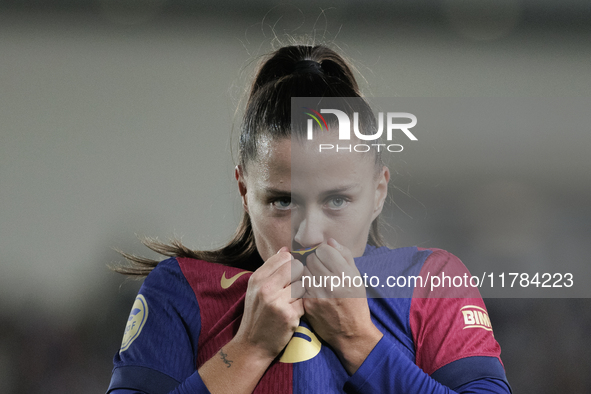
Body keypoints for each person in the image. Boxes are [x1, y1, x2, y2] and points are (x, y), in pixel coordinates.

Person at [106, 45, 511, 393]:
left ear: (378, 193)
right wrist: (250, 348)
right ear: (245, 191)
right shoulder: (182, 290)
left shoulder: (430, 281)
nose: (309, 233)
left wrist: (358, 340)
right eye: (282, 202)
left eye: (336, 200)